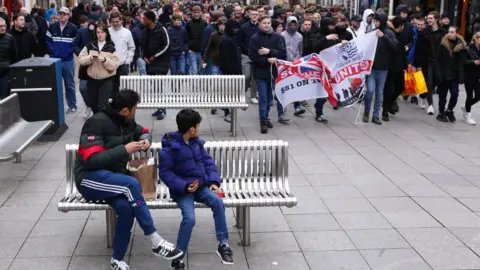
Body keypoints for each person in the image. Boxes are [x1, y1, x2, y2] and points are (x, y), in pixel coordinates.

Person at [75, 89, 183, 270]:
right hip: (89, 178)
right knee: (131, 184)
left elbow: (144, 131)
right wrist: (125, 149)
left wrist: (145, 139)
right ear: (125, 110)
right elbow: (91, 161)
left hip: (113, 180)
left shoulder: (127, 122)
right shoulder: (95, 123)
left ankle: (117, 259)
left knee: (126, 208)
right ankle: (155, 240)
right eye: (134, 109)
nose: (135, 112)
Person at [158, 109, 234, 270]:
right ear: (191, 129)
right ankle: (178, 257)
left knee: (217, 202)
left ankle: (223, 244)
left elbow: (208, 163)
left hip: (201, 186)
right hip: (183, 191)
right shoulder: (171, 148)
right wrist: (184, 186)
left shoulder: (196, 143)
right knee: (189, 219)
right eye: (198, 127)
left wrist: (213, 181)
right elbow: (165, 173)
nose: (198, 130)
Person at [249, 15, 289, 134]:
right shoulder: (255, 38)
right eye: (264, 23)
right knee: (263, 97)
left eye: (268, 23)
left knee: (269, 96)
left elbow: (282, 54)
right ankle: (263, 121)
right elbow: (252, 55)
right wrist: (266, 60)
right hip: (260, 71)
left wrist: (269, 52)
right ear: (259, 24)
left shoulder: (278, 37)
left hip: (273, 72)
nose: (267, 25)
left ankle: (266, 117)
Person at [363, 12, 397, 125]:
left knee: (379, 92)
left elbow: (394, 47)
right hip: (371, 68)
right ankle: (367, 111)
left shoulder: (389, 33)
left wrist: (383, 37)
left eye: (378, 20)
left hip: (383, 68)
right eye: (375, 21)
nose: (376, 23)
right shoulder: (371, 32)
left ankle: (376, 115)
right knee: (370, 90)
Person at [78, 23, 119, 114]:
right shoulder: (90, 46)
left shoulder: (111, 47)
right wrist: (90, 58)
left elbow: (115, 65)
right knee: (94, 104)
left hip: (106, 80)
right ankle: (97, 122)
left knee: (102, 106)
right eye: (98, 32)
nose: (100, 34)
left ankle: (100, 124)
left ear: (106, 34)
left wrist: (104, 60)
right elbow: (80, 60)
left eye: (102, 32)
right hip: (92, 80)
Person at [46, 7, 78, 113]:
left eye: (64, 14)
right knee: (55, 84)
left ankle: (72, 105)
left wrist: (68, 52)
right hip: (54, 60)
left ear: (68, 16)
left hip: (68, 60)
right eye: (60, 14)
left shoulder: (73, 28)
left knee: (69, 84)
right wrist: (52, 51)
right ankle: (57, 106)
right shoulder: (52, 27)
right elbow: (48, 40)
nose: (62, 16)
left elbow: (75, 43)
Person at [141, 10, 170, 120]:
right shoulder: (145, 31)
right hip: (149, 62)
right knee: (154, 87)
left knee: (159, 86)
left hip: (160, 62)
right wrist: (143, 56)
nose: (142, 21)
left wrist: (155, 56)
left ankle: (162, 108)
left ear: (149, 20)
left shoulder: (161, 29)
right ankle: (160, 107)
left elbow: (166, 45)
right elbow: (142, 45)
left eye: (144, 19)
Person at [436, 26, 466, 123]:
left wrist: (461, 77)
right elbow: (437, 61)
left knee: (455, 93)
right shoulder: (442, 45)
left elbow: (462, 63)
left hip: (454, 75)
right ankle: (441, 113)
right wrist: (439, 74)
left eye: (452, 32)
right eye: (449, 32)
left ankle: (449, 110)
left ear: (457, 33)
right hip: (443, 75)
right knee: (442, 96)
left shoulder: (461, 46)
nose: (449, 33)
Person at [203, 16, 231, 120]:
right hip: (215, 63)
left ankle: (226, 109)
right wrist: (205, 60)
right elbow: (208, 48)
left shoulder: (229, 36)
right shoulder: (214, 35)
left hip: (226, 64)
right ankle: (215, 104)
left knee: (225, 87)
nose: (222, 27)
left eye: (224, 25)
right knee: (215, 84)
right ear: (217, 25)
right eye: (220, 24)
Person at [382, 17, 408, 122]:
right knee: (389, 88)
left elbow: (402, 53)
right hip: (390, 66)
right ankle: (385, 109)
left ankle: (389, 103)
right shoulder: (391, 34)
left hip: (398, 66)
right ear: (401, 26)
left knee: (400, 86)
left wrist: (405, 66)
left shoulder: (399, 36)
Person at [281, 16, 306, 116]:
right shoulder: (282, 35)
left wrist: (298, 60)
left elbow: (300, 50)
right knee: (284, 86)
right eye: (290, 24)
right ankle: (282, 106)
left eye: (294, 24)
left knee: (296, 86)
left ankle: (297, 106)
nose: (292, 26)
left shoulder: (299, 36)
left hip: (295, 64)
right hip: (284, 63)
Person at [424, 11, 447, 115]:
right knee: (429, 82)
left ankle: (441, 104)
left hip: (440, 62)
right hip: (429, 61)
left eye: (431, 18)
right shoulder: (426, 32)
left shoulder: (443, 33)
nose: (428, 20)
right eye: (428, 18)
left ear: (436, 19)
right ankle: (430, 105)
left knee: (438, 82)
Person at [109, 11, 135, 98]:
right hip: (110, 66)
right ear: (110, 22)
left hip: (123, 65)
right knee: (111, 90)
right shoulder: (107, 32)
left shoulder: (127, 32)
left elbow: (131, 48)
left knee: (124, 91)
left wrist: (128, 61)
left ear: (121, 21)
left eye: (117, 21)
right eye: (113, 22)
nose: (115, 23)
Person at [74, 16, 95, 120]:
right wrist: (81, 55)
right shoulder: (81, 32)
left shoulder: (101, 32)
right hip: (85, 64)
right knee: (83, 87)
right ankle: (89, 105)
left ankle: (97, 110)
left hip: (98, 64)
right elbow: (75, 44)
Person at [237, 7, 259, 104]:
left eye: (256, 14)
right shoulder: (244, 27)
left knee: (255, 76)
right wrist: (246, 49)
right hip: (246, 54)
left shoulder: (260, 27)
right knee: (246, 76)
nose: (254, 16)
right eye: (253, 14)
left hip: (257, 55)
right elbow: (239, 41)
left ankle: (253, 95)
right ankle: (243, 92)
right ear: (250, 15)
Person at [463, 31, 480, 125]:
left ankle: (466, 106)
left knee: (478, 95)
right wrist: (473, 62)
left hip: (478, 76)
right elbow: (463, 62)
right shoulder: (468, 48)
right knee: (469, 95)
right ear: (476, 39)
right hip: (469, 75)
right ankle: (468, 115)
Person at [186, 5, 207, 75]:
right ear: (192, 13)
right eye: (195, 12)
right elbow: (186, 36)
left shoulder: (204, 22)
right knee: (193, 69)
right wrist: (188, 48)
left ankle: (198, 84)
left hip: (201, 50)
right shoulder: (189, 23)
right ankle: (193, 84)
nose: (196, 14)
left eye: (198, 12)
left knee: (199, 68)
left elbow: (205, 36)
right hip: (192, 50)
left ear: (201, 12)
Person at [0, 17, 17, 100]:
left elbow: (14, 55)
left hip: (5, 73)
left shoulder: (9, 38)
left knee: (5, 99)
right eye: (0, 26)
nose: (3, 28)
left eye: (4, 26)